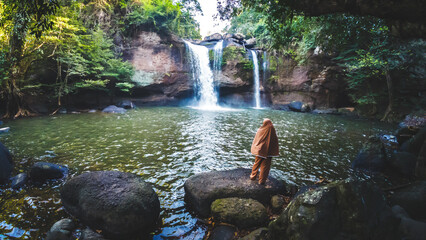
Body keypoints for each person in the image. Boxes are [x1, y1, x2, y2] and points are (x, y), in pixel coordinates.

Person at [250, 118, 279, 184]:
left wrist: (257, 148)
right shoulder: (273, 130)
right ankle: (262, 181)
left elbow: (256, 140)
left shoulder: (261, 130)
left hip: (260, 151)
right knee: (265, 166)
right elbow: (275, 142)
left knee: (256, 163)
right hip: (269, 152)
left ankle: (253, 176)